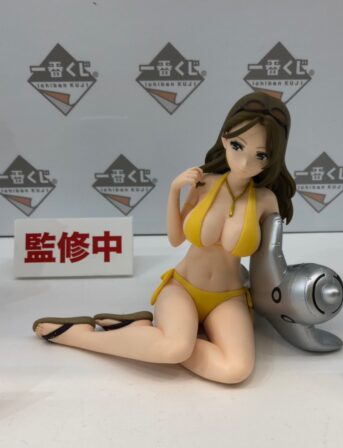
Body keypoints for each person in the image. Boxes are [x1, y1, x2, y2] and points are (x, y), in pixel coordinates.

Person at [33, 92, 296, 384]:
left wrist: (282, 307)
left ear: (272, 159)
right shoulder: (204, 183)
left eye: (260, 155)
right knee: (175, 348)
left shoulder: (266, 200)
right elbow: (175, 238)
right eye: (238, 145)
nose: (245, 162)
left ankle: (144, 334)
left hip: (229, 298)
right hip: (182, 288)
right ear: (224, 139)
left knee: (236, 370)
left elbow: (269, 264)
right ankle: (77, 336)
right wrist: (174, 191)